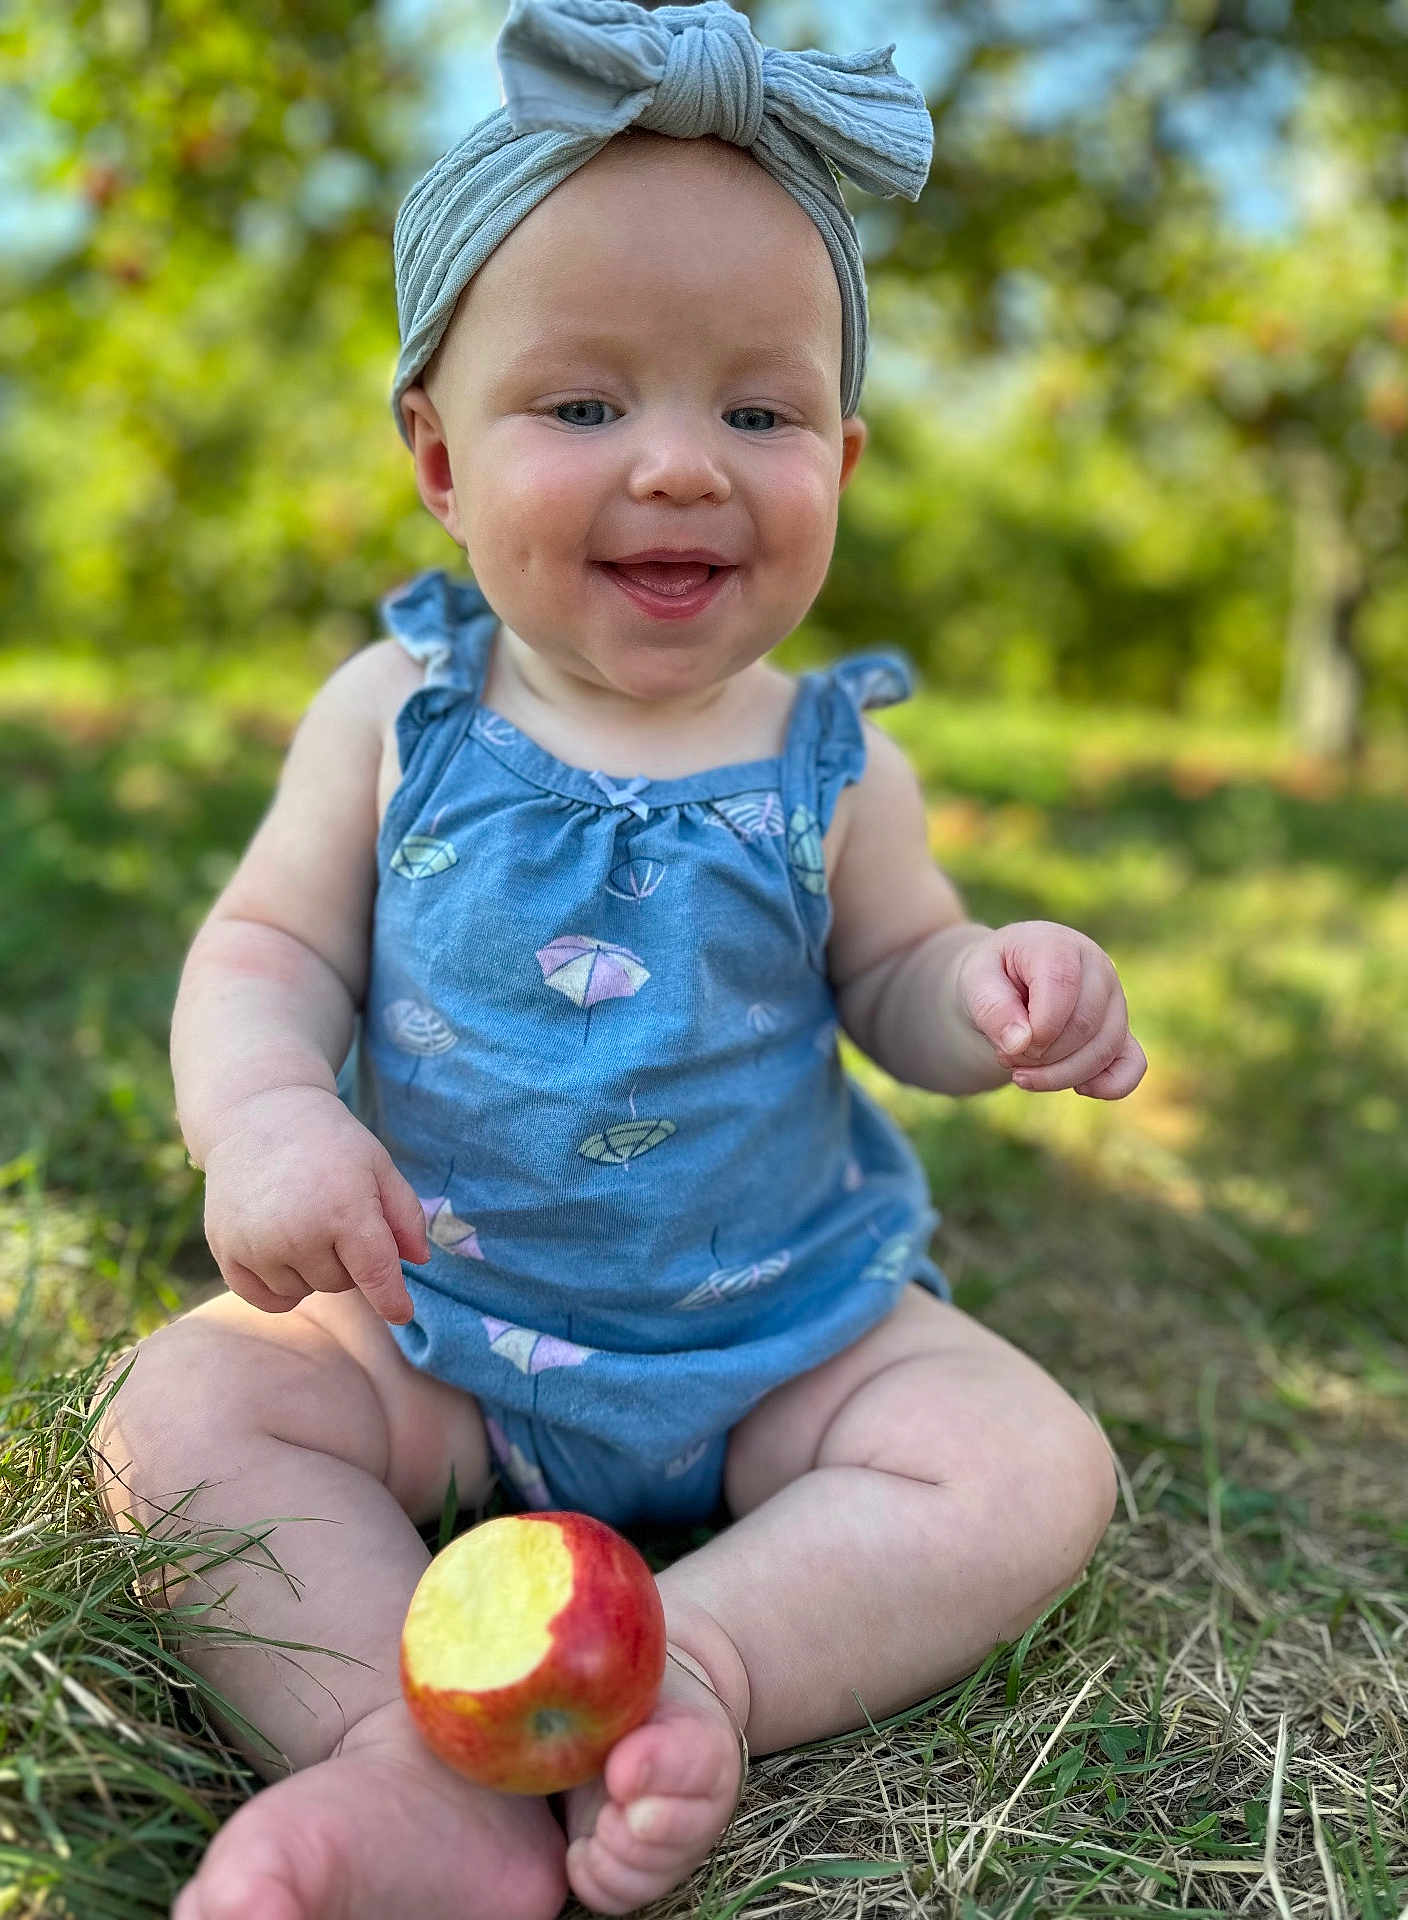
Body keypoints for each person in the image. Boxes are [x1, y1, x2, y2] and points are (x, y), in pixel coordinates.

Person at [93, 4, 1143, 1915]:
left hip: (778, 1345)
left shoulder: (838, 761)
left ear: (840, 451)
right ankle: (396, 1749)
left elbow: (893, 974)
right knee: (183, 1418)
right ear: (434, 455)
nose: (677, 468)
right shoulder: (395, 711)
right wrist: (259, 1121)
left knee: (1026, 1461)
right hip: (437, 1327)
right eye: (583, 409)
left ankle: (709, 1665)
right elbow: (264, 947)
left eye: (755, 413)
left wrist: (991, 993)